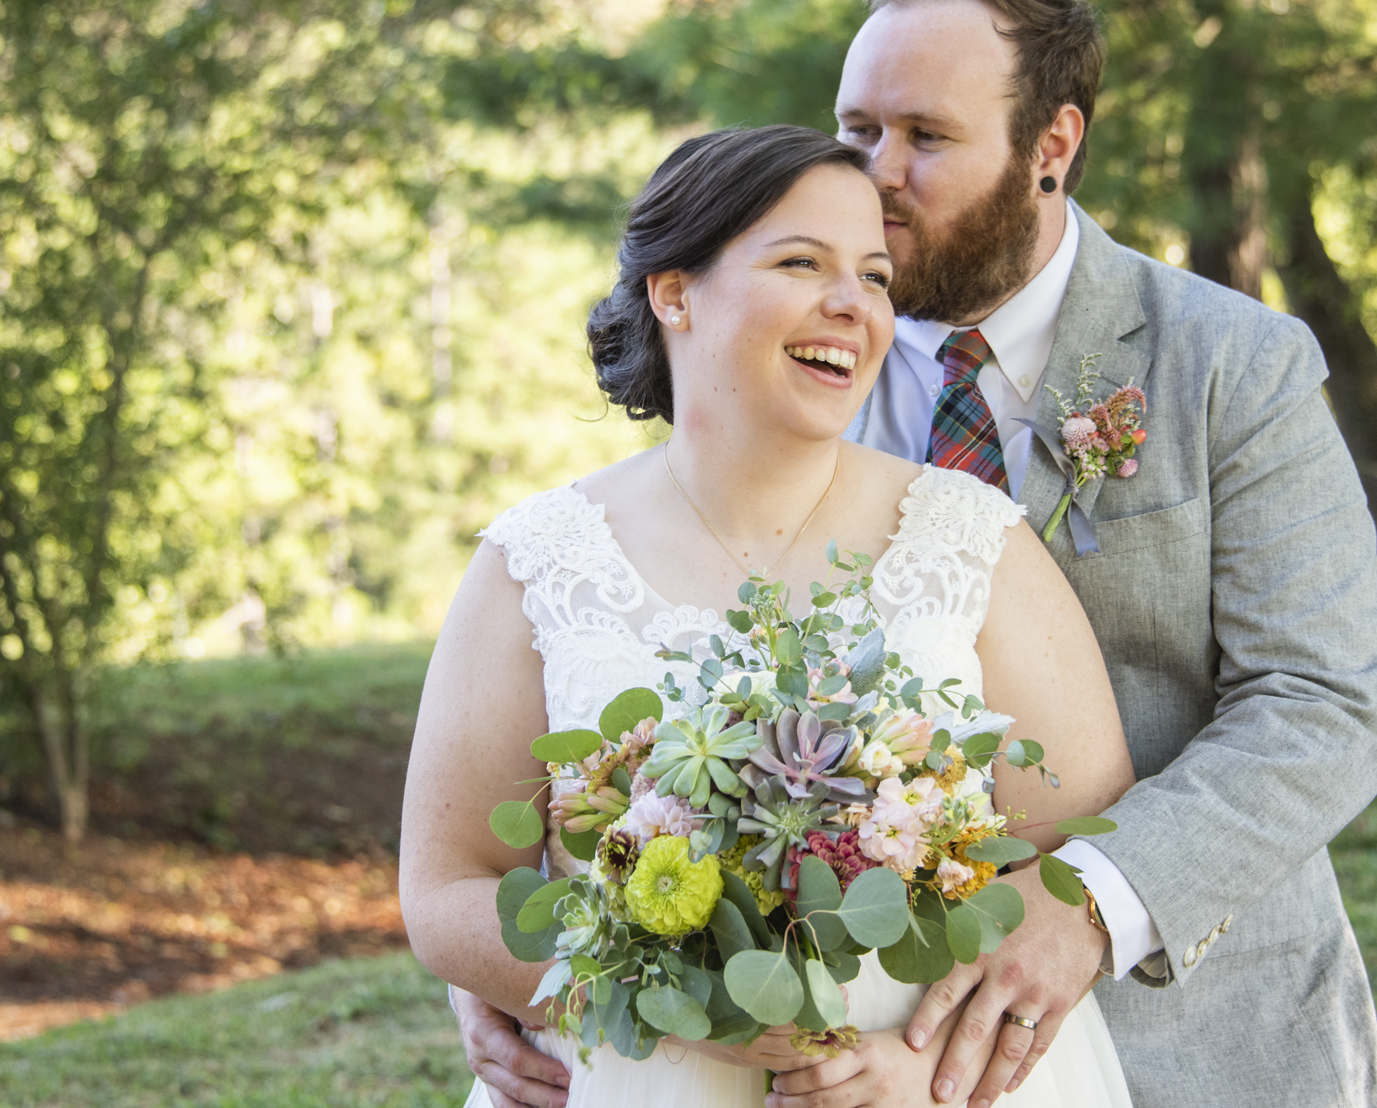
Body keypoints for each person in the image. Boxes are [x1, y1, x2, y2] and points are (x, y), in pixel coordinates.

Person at [456, 0, 1377, 1108]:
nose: (878, 175)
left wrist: (1088, 899)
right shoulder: (790, 356)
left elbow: (1325, 704)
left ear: (1050, 147)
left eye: (925, 138)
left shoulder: (1229, 364)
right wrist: (544, 962)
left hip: (1194, 1009)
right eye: (857, 128)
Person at [402, 124, 1140, 1108]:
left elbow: (1078, 854)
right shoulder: (537, 563)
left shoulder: (971, 538)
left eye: (874, 276)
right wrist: (673, 993)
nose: (855, 304)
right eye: (801, 262)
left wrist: (926, 1056)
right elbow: (448, 887)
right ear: (674, 290)